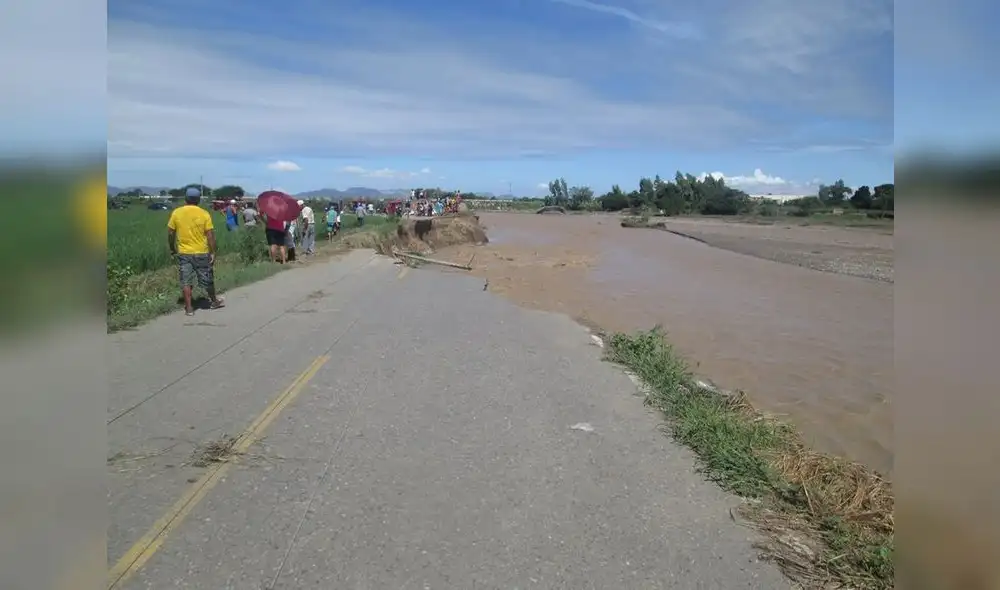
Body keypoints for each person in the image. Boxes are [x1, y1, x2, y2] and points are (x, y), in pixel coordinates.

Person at [167, 187, 225, 316]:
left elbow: (171, 233)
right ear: (198, 199)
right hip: (201, 252)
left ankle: (189, 308)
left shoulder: (177, 213)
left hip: (183, 252)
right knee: (207, 278)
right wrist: (213, 252)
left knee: (186, 280)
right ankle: (214, 300)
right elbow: (210, 235)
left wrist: (172, 248)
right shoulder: (204, 213)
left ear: (186, 199)